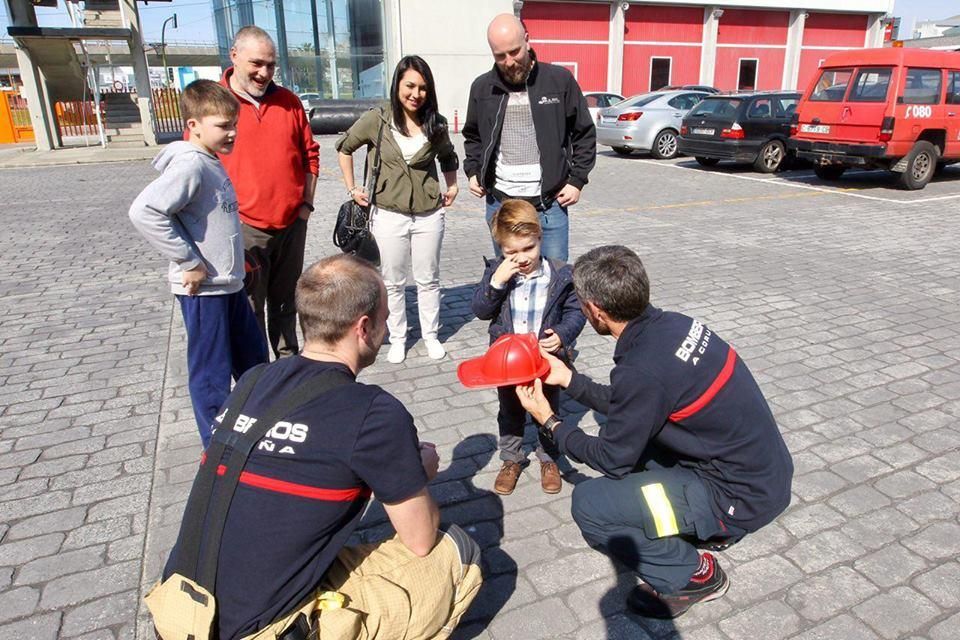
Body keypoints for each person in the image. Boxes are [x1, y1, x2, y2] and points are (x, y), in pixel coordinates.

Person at [162, 254, 482, 640]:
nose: (387, 325)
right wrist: (419, 472)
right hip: (258, 631)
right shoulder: (373, 413)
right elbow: (420, 538)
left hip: (179, 613)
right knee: (458, 552)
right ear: (364, 328)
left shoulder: (253, 380)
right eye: (385, 317)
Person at [515, 245, 794, 619]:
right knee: (637, 454)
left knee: (592, 506)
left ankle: (693, 575)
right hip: (763, 476)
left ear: (595, 310)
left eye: (581, 304)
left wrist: (550, 421)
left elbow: (612, 459)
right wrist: (569, 379)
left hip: (739, 497)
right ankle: (688, 523)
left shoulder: (642, 369)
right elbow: (637, 403)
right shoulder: (674, 326)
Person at [129, 80, 268, 448]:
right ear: (193, 125)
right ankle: (217, 449)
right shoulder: (190, 164)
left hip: (230, 285)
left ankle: (257, 430)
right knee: (211, 375)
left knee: (255, 364)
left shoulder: (209, 161)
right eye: (223, 126)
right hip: (205, 291)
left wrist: (240, 260)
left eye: (234, 123)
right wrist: (189, 260)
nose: (233, 132)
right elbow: (145, 212)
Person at [337, 55, 460, 364]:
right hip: (387, 214)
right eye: (410, 86)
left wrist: (452, 184)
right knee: (392, 281)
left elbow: (447, 155)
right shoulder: (377, 119)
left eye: (422, 88)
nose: (415, 94)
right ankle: (398, 338)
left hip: (428, 214)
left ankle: (431, 335)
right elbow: (345, 147)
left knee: (428, 279)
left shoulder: (437, 124)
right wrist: (353, 187)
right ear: (397, 85)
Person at [471, 199, 585, 496]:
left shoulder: (560, 274)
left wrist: (562, 334)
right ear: (500, 248)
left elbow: (576, 312)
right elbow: (481, 310)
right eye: (511, 252)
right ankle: (511, 458)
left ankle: (549, 458)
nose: (521, 258)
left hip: (545, 360)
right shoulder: (498, 273)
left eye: (528, 249)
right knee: (509, 411)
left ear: (540, 239)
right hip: (507, 363)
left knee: (547, 406)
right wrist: (496, 281)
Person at [463, 13, 596, 263]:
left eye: (514, 52)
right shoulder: (482, 88)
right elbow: (472, 136)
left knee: (555, 281)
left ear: (527, 40)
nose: (509, 61)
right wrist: (473, 171)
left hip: (549, 206)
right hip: (501, 205)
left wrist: (577, 181)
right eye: (500, 56)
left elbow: (584, 133)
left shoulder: (559, 80)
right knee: (508, 281)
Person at [221, 26, 320, 359]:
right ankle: (255, 376)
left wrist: (305, 205)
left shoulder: (289, 102)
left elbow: (310, 154)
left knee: (285, 304)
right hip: (244, 230)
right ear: (234, 56)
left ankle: (287, 367)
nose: (264, 73)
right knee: (249, 308)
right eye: (257, 64)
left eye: (271, 65)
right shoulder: (216, 104)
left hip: (291, 225)